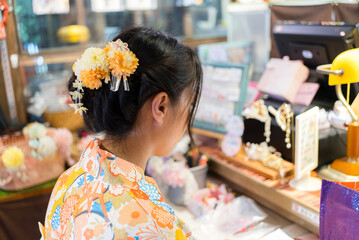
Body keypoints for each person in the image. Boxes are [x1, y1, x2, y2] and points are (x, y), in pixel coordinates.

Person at [39, 27, 202, 240]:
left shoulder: (70, 179)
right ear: (161, 107)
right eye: (188, 106)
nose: (188, 116)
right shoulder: (149, 224)